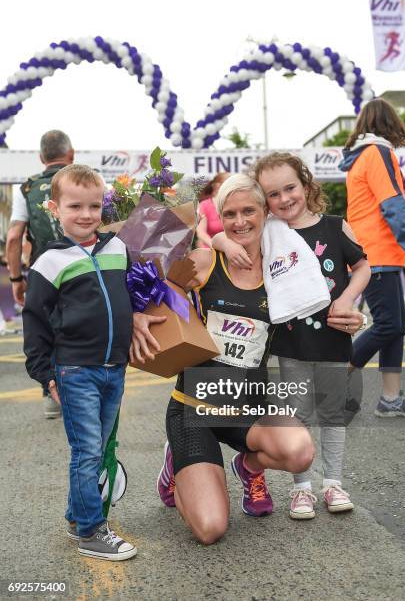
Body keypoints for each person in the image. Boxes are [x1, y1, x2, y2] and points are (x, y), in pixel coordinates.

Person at [131, 174, 315, 545]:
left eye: (249, 210)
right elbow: (148, 286)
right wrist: (135, 315)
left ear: (266, 213)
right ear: (219, 217)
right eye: (229, 214)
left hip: (248, 408)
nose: (240, 221)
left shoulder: (284, 272)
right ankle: (175, 472)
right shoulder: (204, 262)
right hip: (193, 408)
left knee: (300, 452)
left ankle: (247, 467)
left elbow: (326, 301)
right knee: (211, 528)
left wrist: (352, 315)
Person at [214, 154, 369, 519]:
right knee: (297, 413)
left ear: (305, 184)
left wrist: (347, 299)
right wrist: (224, 243)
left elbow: (362, 266)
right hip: (290, 344)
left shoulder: (335, 226)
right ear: (263, 200)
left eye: (290, 188)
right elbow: (220, 233)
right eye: (273, 194)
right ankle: (302, 488)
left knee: (332, 414)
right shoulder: (268, 233)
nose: (284, 199)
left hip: (333, 338)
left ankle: (333, 483)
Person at [22, 165, 137, 561]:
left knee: (98, 446)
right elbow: (35, 319)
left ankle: (77, 515)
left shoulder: (117, 248)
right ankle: (91, 531)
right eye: (75, 206)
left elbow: (136, 295)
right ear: (55, 208)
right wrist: (43, 375)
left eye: (93, 205)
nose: (86, 215)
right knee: (86, 451)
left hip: (114, 368)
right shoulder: (49, 262)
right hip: (74, 371)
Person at [340, 98, 405, 417]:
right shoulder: (377, 153)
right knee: (389, 324)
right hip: (376, 253)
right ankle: (332, 381)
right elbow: (393, 206)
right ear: (390, 124)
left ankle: (390, 399)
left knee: (395, 325)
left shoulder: (362, 156)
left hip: (379, 253)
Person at [6, 129, 74, 418]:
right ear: (70, 154)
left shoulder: (27, 188)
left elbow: (13, 237)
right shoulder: (80, 180)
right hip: (80, 265)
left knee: (45, 330)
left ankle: (51, 392)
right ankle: (85, 390)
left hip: (42, 270)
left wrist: (15, 279)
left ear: (40, 157)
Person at [195, 172, 230, 248]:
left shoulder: (234, 204)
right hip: (210, 251)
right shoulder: (204, 205)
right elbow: (201, 232)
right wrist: (215, 247)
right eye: (228, 182)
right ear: (217, 186)